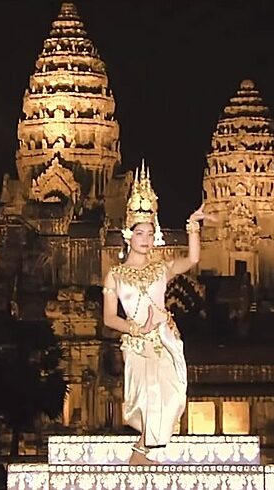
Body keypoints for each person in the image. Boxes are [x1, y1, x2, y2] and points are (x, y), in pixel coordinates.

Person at [102, 162, 216, 465]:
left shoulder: (161, 269)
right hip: (138, 341)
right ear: (130, 236)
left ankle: (142, 453)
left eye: (151, 233)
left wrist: (193, 225)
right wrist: (137, 329)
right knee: (145, 397)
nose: (146, 238)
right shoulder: (114, 275)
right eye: (140, 233)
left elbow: (192, 258)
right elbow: (109, 319)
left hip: (164, 338)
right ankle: (142, 452)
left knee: (173, 395)